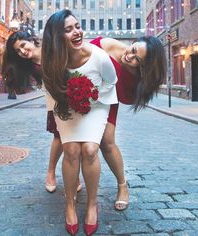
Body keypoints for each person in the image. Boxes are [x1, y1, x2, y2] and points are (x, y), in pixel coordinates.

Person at [44, 34, 167, 213]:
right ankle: (73, 180)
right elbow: (77, 59)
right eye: (133, 50)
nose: (129, 56)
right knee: (73, 140)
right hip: (82, 93)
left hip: (108, 99)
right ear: (133, 43)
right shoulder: (105, 44)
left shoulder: (137, 75)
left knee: (107, 142)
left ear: (143, 67)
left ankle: (122, 185)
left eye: (136, 60)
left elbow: (127, 96)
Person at [42, 9, 118, 236]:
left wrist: (90, 97)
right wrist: (67, 103)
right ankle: (70, 204)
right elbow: (50, 91)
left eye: (77, 26)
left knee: (90, 149)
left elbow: (111, 82)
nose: (77, 32)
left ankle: (92, 204)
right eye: (68, 30)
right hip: (65, 107)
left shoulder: (98, 55)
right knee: (71, 149)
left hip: (96, 105)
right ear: (57, 37)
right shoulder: (52, 60)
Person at [2, 30, 82, 193]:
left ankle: (75, 175)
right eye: (18, 51)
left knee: (77, 138)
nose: (23, 52)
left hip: (75, 95)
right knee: (60, 138)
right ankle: (51, 172)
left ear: (30, 40)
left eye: (23, 45)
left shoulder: (52, 49)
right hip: (56, 101)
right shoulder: (28, 66)